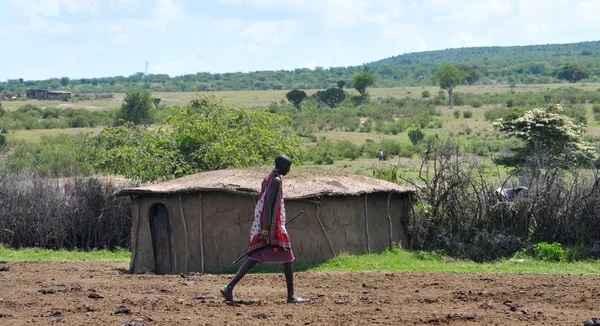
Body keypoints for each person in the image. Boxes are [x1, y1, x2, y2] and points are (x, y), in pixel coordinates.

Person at [220, 154, 309, 304]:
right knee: (287, 258)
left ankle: (229, 287)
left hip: (268, 224)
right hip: (272, 227)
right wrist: (266, 231)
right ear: (281, 166)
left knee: (256, 256)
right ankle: (291, 296)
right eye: (288, 166)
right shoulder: (275, 180)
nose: (289, 169)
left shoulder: (267, 177)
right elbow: (268, 205)